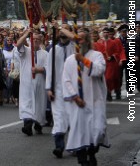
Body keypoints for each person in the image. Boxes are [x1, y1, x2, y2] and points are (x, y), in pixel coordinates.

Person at [63, 28, 109, 165]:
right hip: (78, 102)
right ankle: (83, 159)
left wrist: (83, 60)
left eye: (82, 39)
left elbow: (100, 70)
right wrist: (75, 97)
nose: (79, 41)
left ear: (88, 41)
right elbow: (65, 80)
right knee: (80, 132)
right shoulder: (70, 60)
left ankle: (92, 152)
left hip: (95, 100)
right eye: (77, 39)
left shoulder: (97, 55)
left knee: (99, 130)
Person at [46, 24, 74, 158]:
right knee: (58, 118)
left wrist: (60, 27)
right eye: (60, 31)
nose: (62, 33)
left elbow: (76, 39)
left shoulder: (75, 47)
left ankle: (75, 145)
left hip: (73, 90)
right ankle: (59, 146)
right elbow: (49, 70)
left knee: (72, 118)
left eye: (65, 30)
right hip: (57, 89)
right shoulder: (53, 50)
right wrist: (49, 88)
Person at [16, 28, 47, 136]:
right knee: (27, 104)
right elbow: (18, 44)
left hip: (39, 84)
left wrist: (39, 69)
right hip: (27, 84)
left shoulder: (45, 54)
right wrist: (26, 34)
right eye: (34, 39)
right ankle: (27, 126)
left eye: (38, 39)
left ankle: (38, 125)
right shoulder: (25, 51)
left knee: (39, 105)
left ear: (41, 41)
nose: (36, 41)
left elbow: (48, 69)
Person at [99, 27, 126, 101]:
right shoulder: (99, 42)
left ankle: (116, 91)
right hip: (102, 63)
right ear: (102, 33)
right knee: (104, 79)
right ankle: (108, 93)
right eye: (104, 32)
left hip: (111, 63)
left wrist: (113, 57)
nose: (106, 34)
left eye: (107, 33)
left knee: (111, 78)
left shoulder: (114, 42)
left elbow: (118, 51)